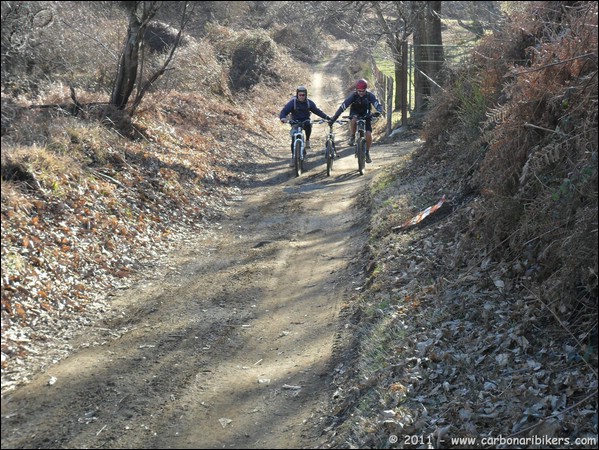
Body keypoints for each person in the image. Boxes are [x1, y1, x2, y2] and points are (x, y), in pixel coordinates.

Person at [329, 79, 384, 163]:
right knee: (354, 119)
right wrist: (334, 118)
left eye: (363, 91)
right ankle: (352, 136)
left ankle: (367, 152)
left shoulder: (370, 95)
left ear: (366, 89)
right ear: (356, 90)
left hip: (366, 115)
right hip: (355, 113)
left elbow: (377, 104)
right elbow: (342, 107)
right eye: (359, 91)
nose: (361, 93)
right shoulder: (353, 96)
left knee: (368, 134)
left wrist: (378, 111)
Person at [279, 86, 331, 165]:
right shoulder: (292, 103)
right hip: (295, 122)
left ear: (306, 95)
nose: (302, 97)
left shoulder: (309, 103)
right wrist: (283, 118)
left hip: (305, 120)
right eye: (300, 95)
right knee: (294, 139)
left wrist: (327, 117)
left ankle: (307, 140)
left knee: (308, 126)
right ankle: (293, 157)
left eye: (303, 95)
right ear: (297, 95)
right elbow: (284, 111)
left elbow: (317, 111)